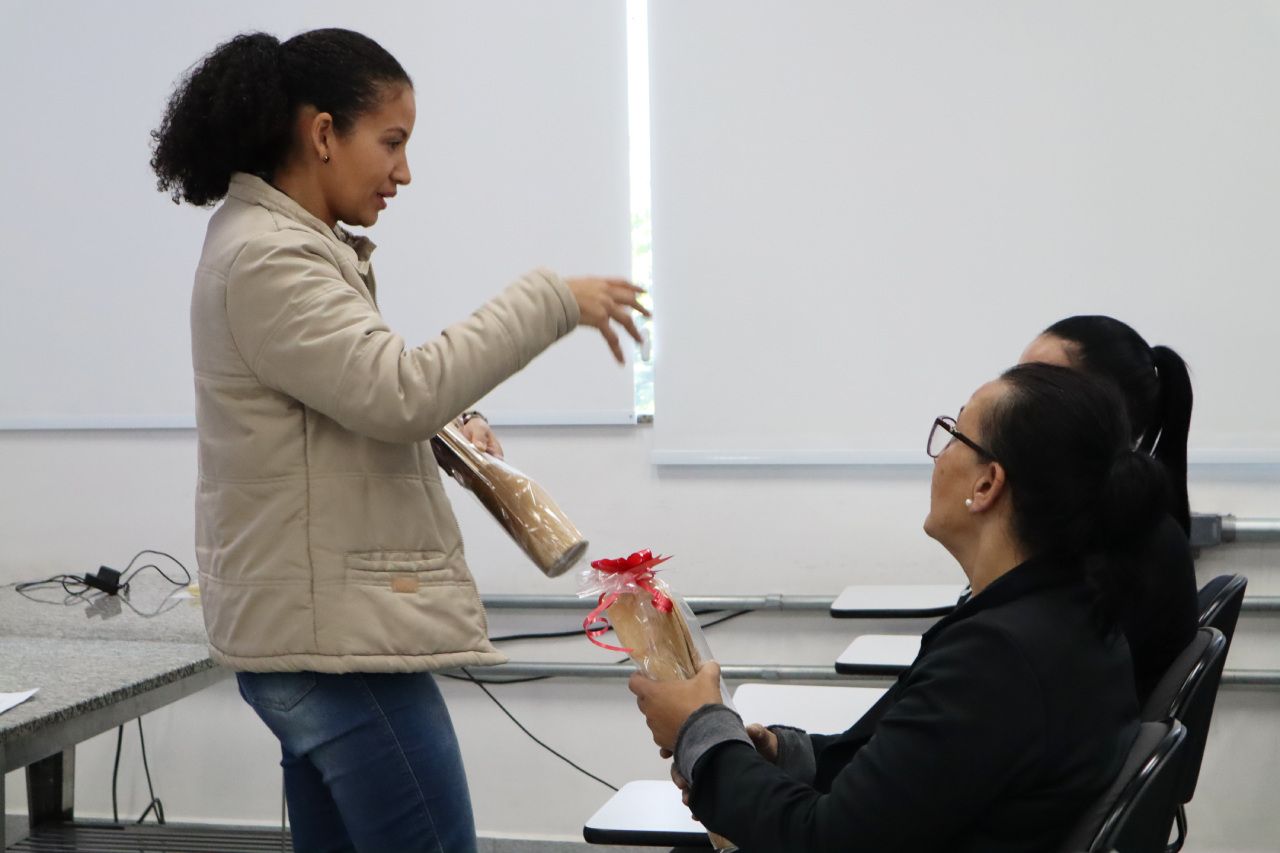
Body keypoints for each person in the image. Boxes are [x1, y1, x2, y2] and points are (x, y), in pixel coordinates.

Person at [150, 28, 646, 853]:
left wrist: (441, 435)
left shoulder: (278, 246)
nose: (403, 172)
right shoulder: (271, 259)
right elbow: (399, 391)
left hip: (315, 639)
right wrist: (553, 300)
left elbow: (342, 413)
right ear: (321, 134)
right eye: (392, 141)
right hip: (334, 653)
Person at [630, 364, 1167, 852]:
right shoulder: (1063, 613)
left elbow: (825, 840)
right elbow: (901, 783)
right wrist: (780, 755)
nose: (938, 455)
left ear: (986, 484)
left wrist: (699, 735)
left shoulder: (998, 659)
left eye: (954, 434)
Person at [1021, 316, 1198, 702]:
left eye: (1037, 385)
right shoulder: (1127, 523)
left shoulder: (1113, 542)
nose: (1013, 398)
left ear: (1101, 408)